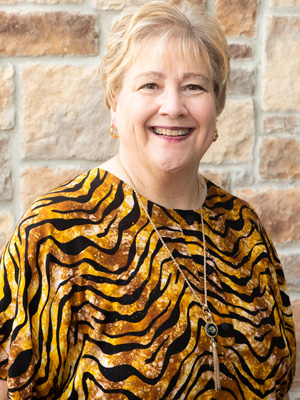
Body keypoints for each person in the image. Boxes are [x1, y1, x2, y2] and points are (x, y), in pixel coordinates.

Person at [0, 1, 295, 399]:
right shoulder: (55, 233)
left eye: (194, 86)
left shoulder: (242, 227)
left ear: (216, 106)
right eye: (149, 85)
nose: (173, 107)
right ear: (115, 104)